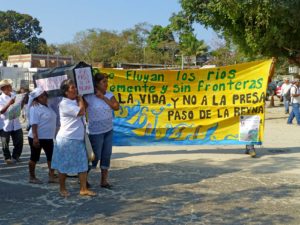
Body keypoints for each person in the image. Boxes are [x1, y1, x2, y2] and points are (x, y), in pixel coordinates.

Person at [51, 79, 95, 197]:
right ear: (66, 92)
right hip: (67, 139)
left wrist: (80, 99)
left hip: (78, 138)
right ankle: (62, 188)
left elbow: (85, 107)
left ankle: (83, 189)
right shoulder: (64, 103)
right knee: (64, 165)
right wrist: (80, 99)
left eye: (75, 87)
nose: (75, 89)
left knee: (83, 164)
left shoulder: (74, 102)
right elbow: (81, 112)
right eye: (72, 88)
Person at [84, 72, 119, 189]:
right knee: (94, 157)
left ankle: (104, 181)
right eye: (104, 82)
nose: (106, 84)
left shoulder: (109, 95)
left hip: (108, 130)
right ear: (97, 84)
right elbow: (80, 108)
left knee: (106, 155)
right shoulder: (88, 97)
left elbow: (116, 106)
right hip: (95, 132)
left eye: (107, 82)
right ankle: (83, 179)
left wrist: (103, 97)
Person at [27, 87, 58, 184]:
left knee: (51, 157)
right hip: (37, 137)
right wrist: (36, 138)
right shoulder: (34, 108)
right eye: (41, 97)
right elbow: (34, 124)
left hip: (48, 137)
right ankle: (32, 177)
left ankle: (51, 176)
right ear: (36, 99)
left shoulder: (48, 106)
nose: (44, 97)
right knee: (34, 158)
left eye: (44, 95)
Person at [0, 79, 24, 164]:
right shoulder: (0, 98)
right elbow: (1, 111)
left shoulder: (14, 95)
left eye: (10, 85)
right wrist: (9, 103)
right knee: (4, 142)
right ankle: (7, 157)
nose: (10, 87)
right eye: (8, 86)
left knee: (19, 140)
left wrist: (22, 102)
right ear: (3, 88)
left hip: (16, 123)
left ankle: (16, 156)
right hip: (4, 124)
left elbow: (19, 106)